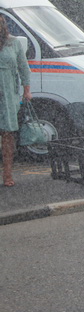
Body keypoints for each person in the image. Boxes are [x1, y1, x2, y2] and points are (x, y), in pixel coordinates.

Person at [0, 20, 32, 187]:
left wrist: (27, 90)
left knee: (7, 134)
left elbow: (23, 67)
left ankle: (7, 174)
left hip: (8, 93)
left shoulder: (14, 43)